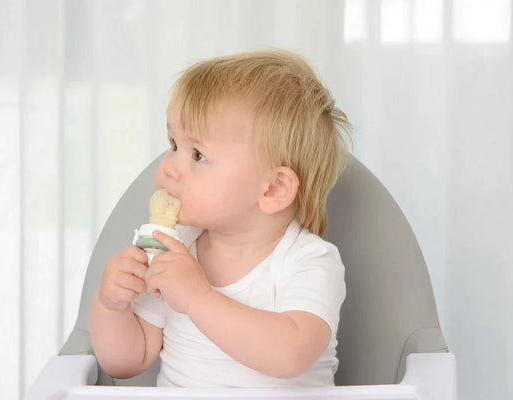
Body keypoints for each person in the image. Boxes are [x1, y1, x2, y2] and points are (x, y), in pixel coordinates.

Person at [89, 49, 352, 387]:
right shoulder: (174, 253)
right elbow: (125, 363)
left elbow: (291, 354)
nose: (169, 168)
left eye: (198, 155)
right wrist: (111, 306)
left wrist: (197, 297)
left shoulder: (309, 260)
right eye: (173, 145)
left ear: (273, 188)